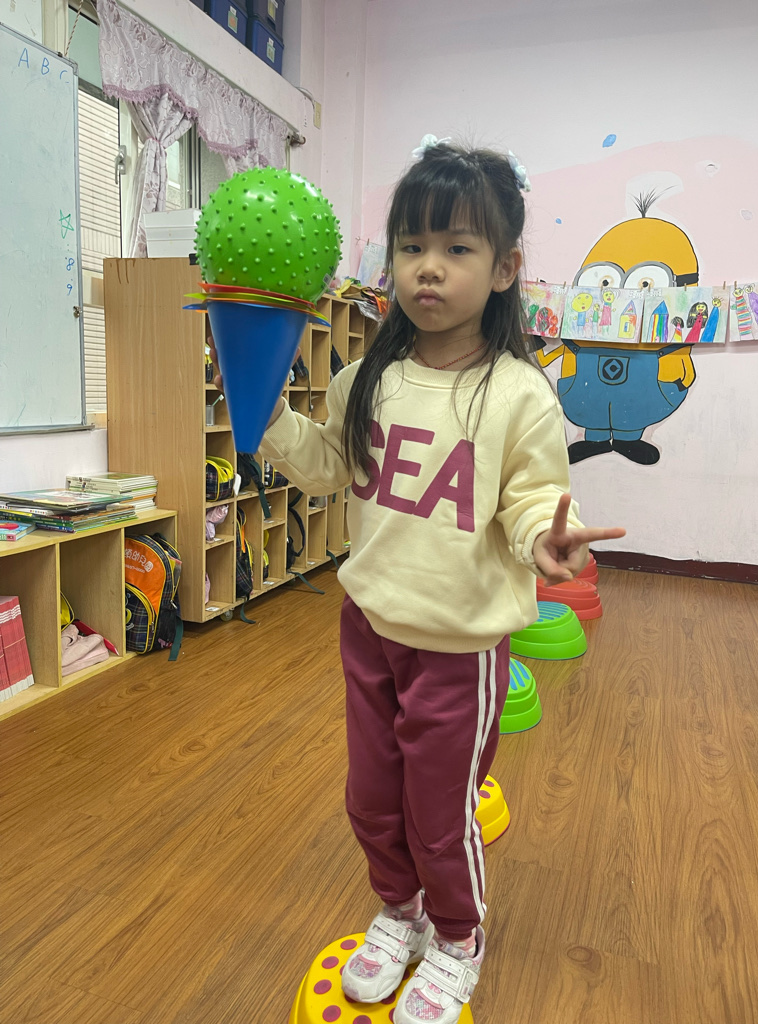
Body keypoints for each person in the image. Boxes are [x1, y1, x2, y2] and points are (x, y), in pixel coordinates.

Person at [210, 138, 625, 1024]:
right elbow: (327, 466)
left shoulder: (519, 393)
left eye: (456, 247)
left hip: (459, 647)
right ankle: (398, 912)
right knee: (371, 801)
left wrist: (547, 540)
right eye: (411, 246)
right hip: (370, 630)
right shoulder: (369, 377)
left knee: (439, 815)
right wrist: (267, 411)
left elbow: (533, 498)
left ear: (505, 268)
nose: (428, 267)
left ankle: (459, 936)